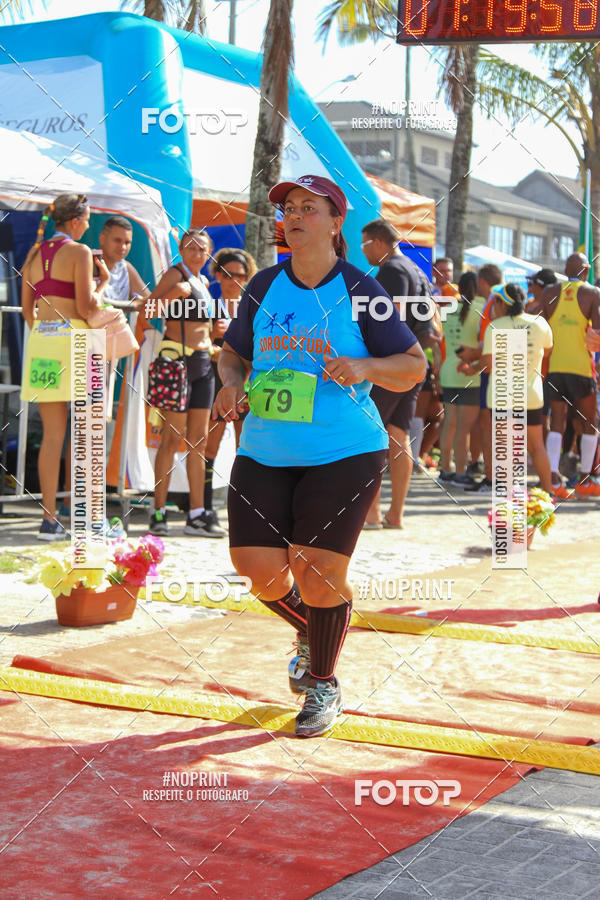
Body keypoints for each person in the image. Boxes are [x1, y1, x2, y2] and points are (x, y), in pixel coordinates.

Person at [214, 174, 425, 737]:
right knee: (258, 570)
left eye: (309, 208)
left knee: (317, 570)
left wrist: (365, 367)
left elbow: (413, 366)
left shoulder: (362, 289)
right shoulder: (263, 284)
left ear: (336, 223)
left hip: (344, 450)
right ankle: (314, 628)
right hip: (264, 449)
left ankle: (323, 682)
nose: (295, 216)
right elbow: (232, 354)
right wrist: (230, 383)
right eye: (289, 208)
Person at [21, 193, 109, 540]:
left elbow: (27, 310)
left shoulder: (34, 253)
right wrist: (103, 286)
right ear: (75, 220)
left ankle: (49, 520)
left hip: (42, 341)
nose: (87, 226)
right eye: (86, 220)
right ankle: (91, 520)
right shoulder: (80, 252)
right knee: (88, 432)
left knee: (52, 435)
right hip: (79, 342)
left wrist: (48, 332)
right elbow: (87, 308)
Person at [148, 228, 225, 537]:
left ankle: (196, 514)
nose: (197, 253)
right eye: (191, 247)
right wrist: (173, 293)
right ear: (181, 249)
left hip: (204, 364)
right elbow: (149, 310)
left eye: (202, 249)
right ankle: (158, 512)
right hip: (176, 361)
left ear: (209, 252)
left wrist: (215, 335)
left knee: (199, 441)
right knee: (171, 439)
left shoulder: (203, 282)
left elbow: (203, 327)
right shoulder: (175, 275)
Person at [360, 218, 437, 528]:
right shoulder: (417, 270)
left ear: (379, 242)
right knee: (398, 434)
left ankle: (372, 512)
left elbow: (389, 317)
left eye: (365, 244)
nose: (363, 251)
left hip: (393, 363)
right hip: (414, 363)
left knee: (371, 434)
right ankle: (396, 514)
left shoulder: (392, 269)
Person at [459, 283, 554, 493]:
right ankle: (549, 493)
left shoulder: (495, 326)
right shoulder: (540, 323)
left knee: (505, 448)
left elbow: (488, 362)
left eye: (496, 302)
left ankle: (508, 498)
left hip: (503, 396)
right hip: (531, 395)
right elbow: (547, 352)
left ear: (503, 304)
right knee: (536, 446)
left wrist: (471, 369)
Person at [203, 248, 257, 523]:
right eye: (227, 274)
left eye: (240, 275)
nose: (234, 280)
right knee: (208, 448)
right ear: (217, 275)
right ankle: (204, 509)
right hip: (215, 381)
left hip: (247, 385)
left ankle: (244, 509)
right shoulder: (209, 307)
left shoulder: (251, 310)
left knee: (244, 450)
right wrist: (213, 339)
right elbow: (198, 344)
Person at [542, 253, 600, 498]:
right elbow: (597, 333)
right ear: (586, 270)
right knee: (590, 422)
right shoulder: (592, 293)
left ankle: (554, 479)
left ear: (566, 270)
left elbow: (541, 330)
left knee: (557, 422)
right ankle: (585, 480)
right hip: (581, 367)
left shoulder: (548, 292)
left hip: (555, 366)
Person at [438, 270, 486, 486]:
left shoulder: (447, 309)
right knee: (463, 428)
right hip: (468, 371)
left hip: (448, 370)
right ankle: (460, 473)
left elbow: (439, 339)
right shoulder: (480, 308)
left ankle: (445, 469)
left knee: (449, 424)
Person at [462, 263, 504, 493]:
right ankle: (493, 477)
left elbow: (494, 343)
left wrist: (475, 361)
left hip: (493, 371)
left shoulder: (496, 301)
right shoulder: (497, 299)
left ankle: (493, 478)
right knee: (491, 425)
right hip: (494, 370)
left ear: (482, 282)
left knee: (490, 426)